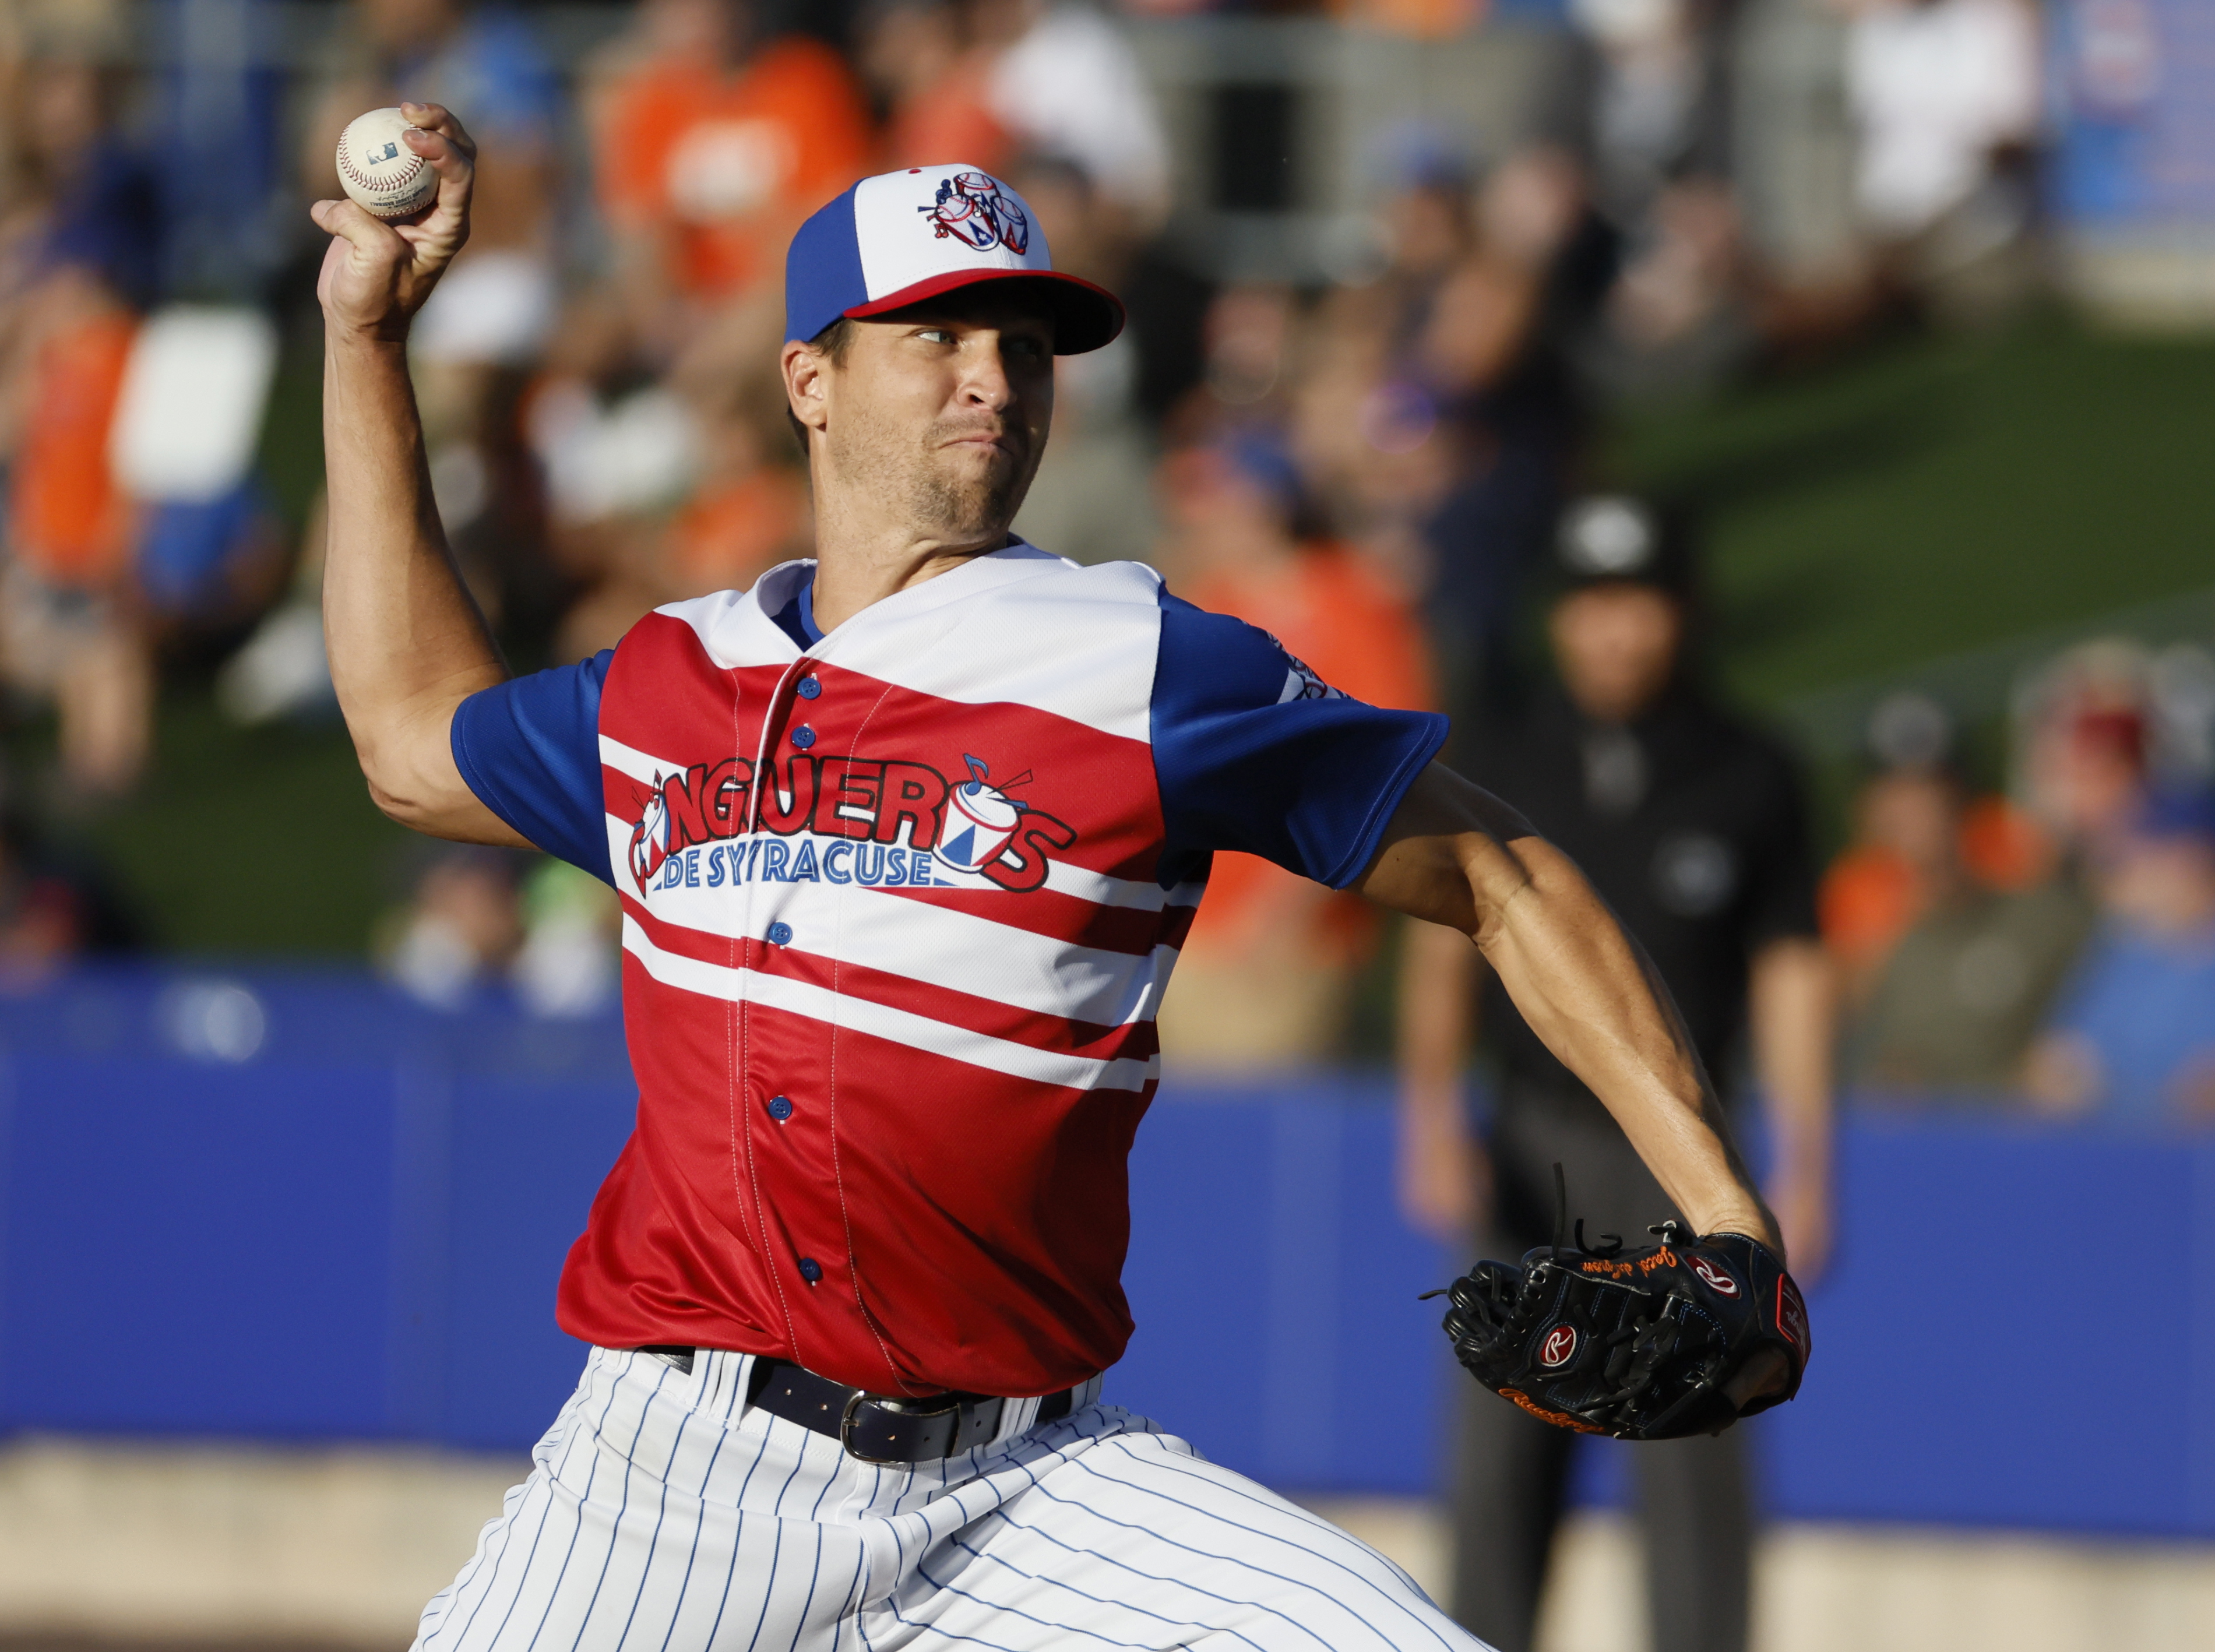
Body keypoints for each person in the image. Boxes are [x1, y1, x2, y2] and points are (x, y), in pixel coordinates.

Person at [311, 110, 1797, 1651]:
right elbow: (412, 743)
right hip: (677, 1484)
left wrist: (1720, 1210)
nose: (994, 376)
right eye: (938, 334)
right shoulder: (674, 680)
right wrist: (367, 342)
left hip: (1031, 1483)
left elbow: (1504, 872)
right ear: (807, 382)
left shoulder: (1141, 663)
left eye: (1024, 343)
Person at [1396, 495, 1834, 1652]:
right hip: (1526, 1141)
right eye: (1591, 605)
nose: (1615, 632)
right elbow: (1438, 940)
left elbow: (1791, 973)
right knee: (1500, 1440)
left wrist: (1806, 1159)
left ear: (1681, 612)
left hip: (1688, 1155)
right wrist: (1429, 1110)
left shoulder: (1750, 768)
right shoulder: (1495, 749)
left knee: (1697, 1428)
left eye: (1637, 603)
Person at [2023, 786, 2215, 1124]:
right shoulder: (2124, 951)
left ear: (2196, 860)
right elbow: (2052, 1064)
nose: (2125, 871)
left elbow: (2201, 1096)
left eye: (2145, 854)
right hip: (2113, 1155)